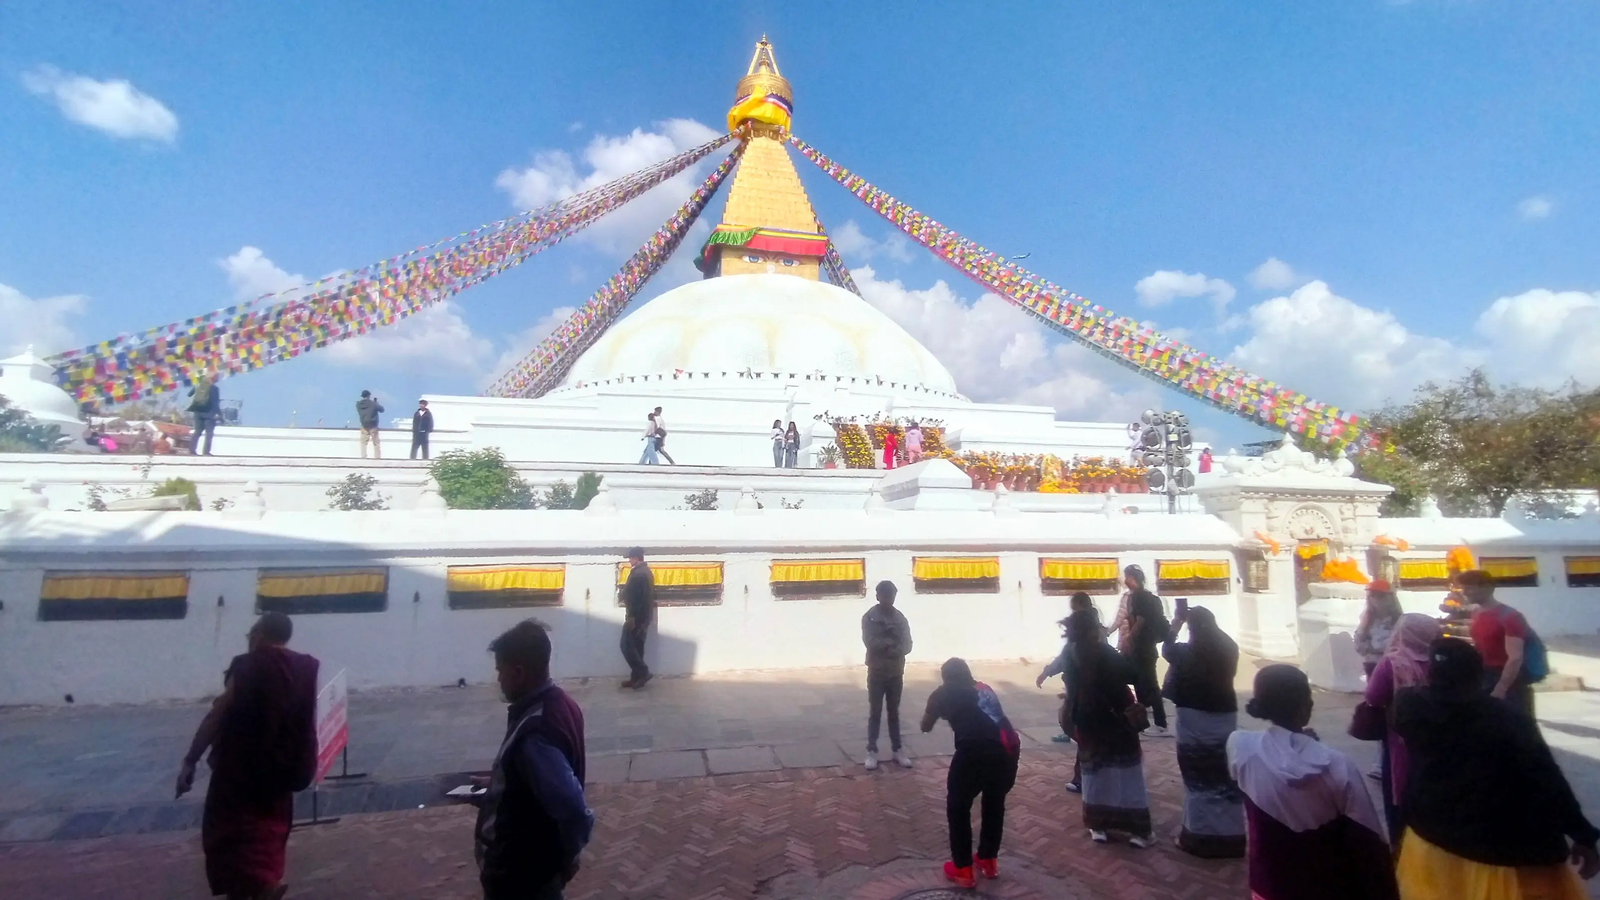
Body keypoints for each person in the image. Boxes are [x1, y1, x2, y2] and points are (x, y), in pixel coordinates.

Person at [1394, 638, 1599, 899]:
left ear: (1430, 673)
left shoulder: (1407, 705)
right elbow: (1547, 781)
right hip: (1498, 852)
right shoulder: (1505, 720)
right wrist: (1583, 835)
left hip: (1429, 840)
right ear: (1477, 676)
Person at [175, 612, 319, 900]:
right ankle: (266, 883)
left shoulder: (248, 666)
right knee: (269, 834)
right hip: (281, 769)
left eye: (251, 634)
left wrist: (191, 759)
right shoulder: (305, 667)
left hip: (239, 770)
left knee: (232, 836)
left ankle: (261, 888)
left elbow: (218, 713)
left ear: (259, 634)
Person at [1227, 665, 1398, 900]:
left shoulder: (1239, 746)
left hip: (1268, 880)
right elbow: (1368, 839)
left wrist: (1295, 742)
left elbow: (1260, 766)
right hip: (1325, 883)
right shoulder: (1337, 766)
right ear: (1306, 707)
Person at [475, 619, 593, 900]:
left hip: (523, 876)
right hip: (537, 870)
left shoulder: (535, 732)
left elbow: (572, 807)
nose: (498, 680)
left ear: (519, 672)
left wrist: (569, 855)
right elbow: (537, 783)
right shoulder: (563, 704)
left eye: (500, 671)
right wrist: (497, 785)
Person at [922, 658, 1021, 888]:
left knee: (958, 806)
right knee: (994, 804)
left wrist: (940, 711)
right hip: (1007, 751)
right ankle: (988, 860)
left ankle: (963, 868)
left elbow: (925, 726)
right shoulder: (984, 689)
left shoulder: (942, 693)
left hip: (973, 752)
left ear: (945, 677)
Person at [1066, 608, 1154, 846]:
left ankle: (1099, 825)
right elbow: (1133, 675)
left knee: (1095, 773)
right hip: (1116, 720)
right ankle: (1138, 830)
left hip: (1087, 719)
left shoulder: (1071, 652)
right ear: (1094, 628)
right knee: (1127, 774)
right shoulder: (1104, 652)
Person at [1163, 605, 1245, 858]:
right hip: (1224, 717)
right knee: (1223, 777)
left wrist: (1176, 622)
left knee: (1197, 778)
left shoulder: (1187, 652)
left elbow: (1166, 648)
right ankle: (1231, 837)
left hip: (1193, 718)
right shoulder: (1228, 647)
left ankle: (1198, 837)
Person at [1363, 613, 1441, 844]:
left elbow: (1373, 696)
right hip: (1438, 733)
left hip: (1400, 737)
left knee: (1400, 785)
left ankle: (1402, 848)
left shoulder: (1393, 662)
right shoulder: (1440, 660)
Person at [1036, 597, 1099, 788]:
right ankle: (1087, 778)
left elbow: (1060, 664)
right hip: (1093, 700)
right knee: (1090, 739)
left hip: (1083, 702)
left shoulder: (1073, 650)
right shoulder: (1100, 648)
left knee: (1086, 739)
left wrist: (1046, 673)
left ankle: (1082, 780)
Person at [1462, 569, 1537, 717]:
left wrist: (1501, 688)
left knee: (1513, 729)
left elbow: (1515, 657)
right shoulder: (1477, 612)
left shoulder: (1510, 617)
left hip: (1507, 680)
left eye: (1469, 587)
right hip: (1484, 675)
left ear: (1488, 588)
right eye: (1464, 587)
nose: (1465, 592)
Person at [862, 580, 913, 770]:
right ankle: (871, 750)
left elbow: (907, 644)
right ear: (877, 597)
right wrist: (892, 644)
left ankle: (897, 749)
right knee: (875, 713)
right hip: (877, 672)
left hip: (895, 672)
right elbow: (871, 642)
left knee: (894, 713)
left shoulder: (900, 619)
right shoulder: (870, 618)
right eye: (884, 596)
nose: (887, 600)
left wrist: (892, 647)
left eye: (891, 596)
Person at [1123, 565, 1169, 736]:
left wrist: (1129, 639)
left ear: (1133, 578)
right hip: (1145, 646)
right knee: (1140, 682)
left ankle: (1160, 723)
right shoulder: (1143, 597)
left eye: (1127, 577)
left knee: (1149, 684)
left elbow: (1139, 621)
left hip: (1142, 646)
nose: (1125, 581)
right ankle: (1144, 721)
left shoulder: (1139, 598)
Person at [619, 548, 654, 688]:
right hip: (642, 617)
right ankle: (636, 677)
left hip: (637, 617)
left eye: (630, 558)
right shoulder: (644, 572)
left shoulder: (640, 574)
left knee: (626, 645)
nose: (629, 560)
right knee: (637, 647)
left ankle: (643, 672)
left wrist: (632, 617)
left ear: (636, 558)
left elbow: (638, 598)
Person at [1354, 579, 1404, 678]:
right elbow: (1358, 642)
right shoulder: (1366, 619)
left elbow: (1399, 644)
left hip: (1392, 666)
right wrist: (1369, 648)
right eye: (1372, 595)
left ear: (1390, 598)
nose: (1376, 599)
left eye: (1381, 596)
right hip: (1372, 664)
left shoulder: (1399, 619)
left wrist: (1378, 649)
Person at [188, 375, 222, 456]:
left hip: (197, 413)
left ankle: (192, 450)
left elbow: (189, 394)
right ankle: (206, 452)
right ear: (214, 379)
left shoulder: (198, 386)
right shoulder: (214, 389)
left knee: (197, 432)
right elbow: (215, 403)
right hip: (209, 414)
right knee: (209, 433)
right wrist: (220, 415)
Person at [356, 390, 384, 459]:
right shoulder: (373, 404)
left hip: (364, 425)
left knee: (363, 443)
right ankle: (377, 457)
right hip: (373, 425)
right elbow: (382, 410)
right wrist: (376, 403)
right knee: (376, 443)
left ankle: (363, 456)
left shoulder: (358, 405)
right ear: (369, 396)